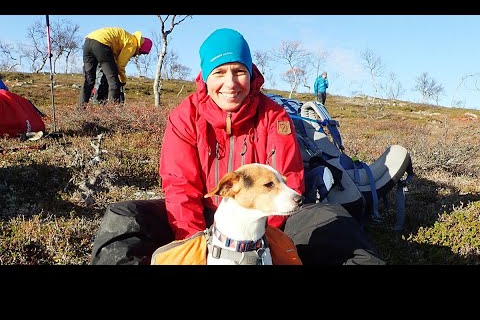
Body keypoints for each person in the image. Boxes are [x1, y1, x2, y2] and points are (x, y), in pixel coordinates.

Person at [90, 28, 384, 265]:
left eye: (238, 71)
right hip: (202, 217)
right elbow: (180, 186)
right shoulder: (185, 115)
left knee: (333, 221)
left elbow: (289, 177)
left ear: (251, 73)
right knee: (123, 217)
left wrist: (257, 239)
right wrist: (195, 245)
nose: (230, 83)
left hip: (268, 219)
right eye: (219, 72)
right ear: (206, 77)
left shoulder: (273, 115)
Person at [78, 27, 152, 107]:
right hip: (102, 44)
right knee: (113, 81)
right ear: (141, 47)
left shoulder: (126, 38)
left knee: (89, 80)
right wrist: (123, 80)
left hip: (88, 41)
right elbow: (120, 65)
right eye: (142, 52)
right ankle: (112, 111)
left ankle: (80, 109)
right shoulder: (132, 43)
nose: (139, 54)